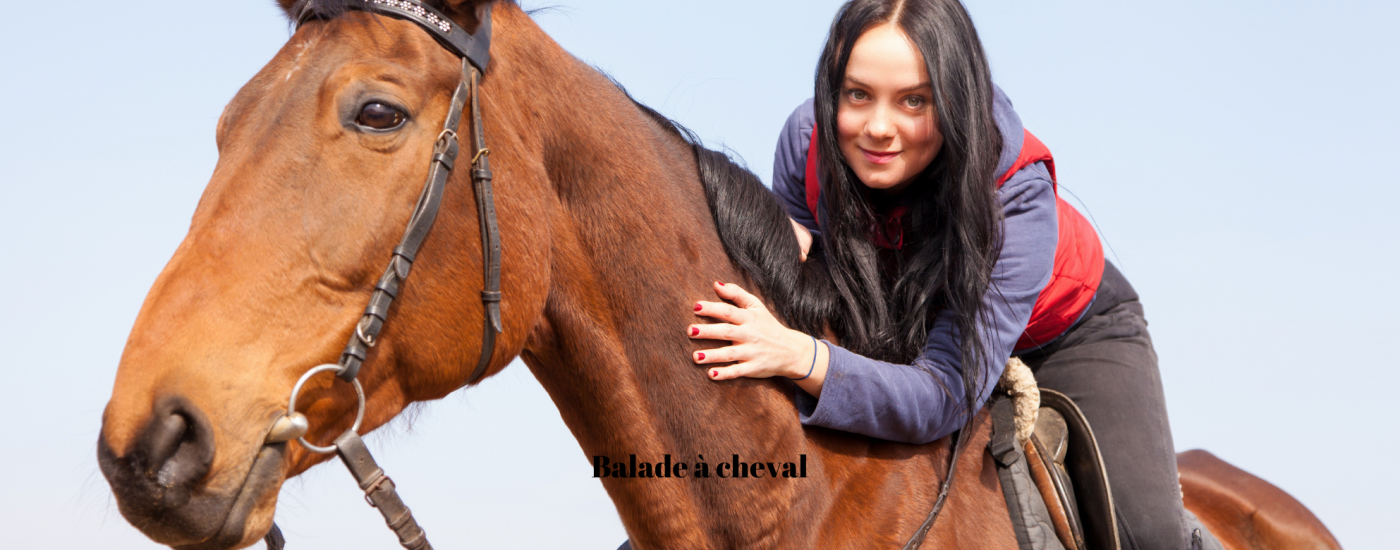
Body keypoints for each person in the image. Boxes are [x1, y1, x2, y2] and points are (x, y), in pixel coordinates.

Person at [687, 0, 1192, 548]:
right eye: (858, 94)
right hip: (907, 320)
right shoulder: (807, 141)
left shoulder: (1015, 201)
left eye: (914, 101)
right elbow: (811, 276)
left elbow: (943, 393)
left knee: (1148, 535)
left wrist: (800, 355)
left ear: (955, 97)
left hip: (1064, 332)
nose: (879, 128)